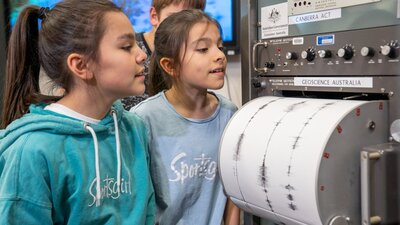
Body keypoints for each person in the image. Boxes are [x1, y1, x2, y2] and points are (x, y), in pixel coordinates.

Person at [0, 0, 155, 224]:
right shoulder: (32, 152)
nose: (141, 55)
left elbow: (147, 213)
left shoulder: (134, 128)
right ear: (81, 66)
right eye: (125, 46)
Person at [131, 9, 240, 225]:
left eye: (220, 46)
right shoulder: (143, 119)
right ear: (170, 66)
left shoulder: (230, 115)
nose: (219, 55)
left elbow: (232, 193)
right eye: (203, 49)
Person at [121, 0, 206, 110]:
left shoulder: (194, 58)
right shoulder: (130, 51)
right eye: (178, 19)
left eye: (194, 21)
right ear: (154, 16)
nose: (186, 29)